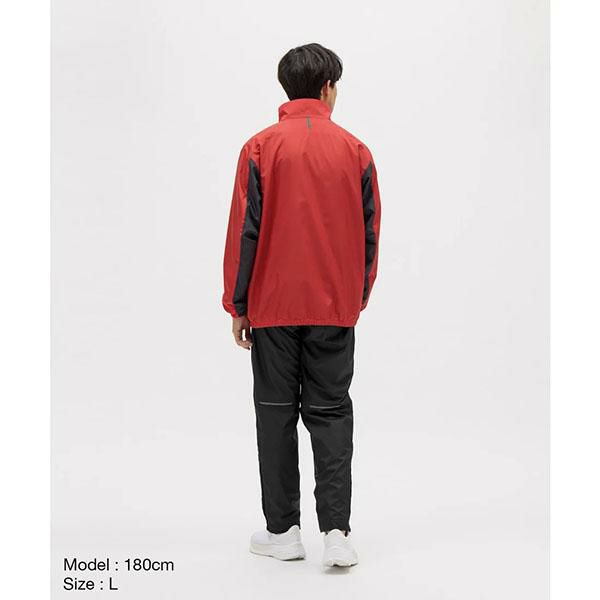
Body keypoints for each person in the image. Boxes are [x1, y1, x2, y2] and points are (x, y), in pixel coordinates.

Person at [221, 42, 381, 567]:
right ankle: (336, 533)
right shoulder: (356, 151)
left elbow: (243, 231)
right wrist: (355, 298)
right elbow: (370, 234)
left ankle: (283, 532)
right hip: (333, 306)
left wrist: (238, 304)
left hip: (272, 307)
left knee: (274, 416)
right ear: (328, 88)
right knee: (331, 414)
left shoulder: (259, 148)